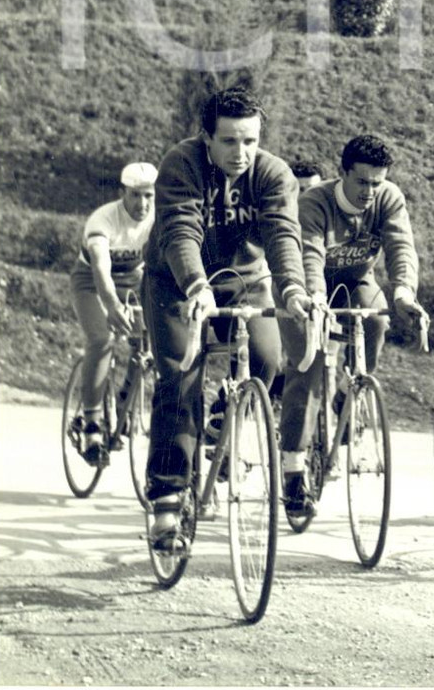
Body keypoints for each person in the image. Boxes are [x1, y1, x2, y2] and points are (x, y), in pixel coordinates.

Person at [142, 85, 311, 552]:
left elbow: (282, 234)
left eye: (251, 141)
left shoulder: (274, 174)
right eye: (230, 141)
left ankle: (219, 421)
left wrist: (293, 287)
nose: (242, 153)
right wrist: (196, 285)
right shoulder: (182, 162)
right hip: (176, 281)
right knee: (179, 376)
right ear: (206, 137)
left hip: (243, 276)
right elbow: (180, 230)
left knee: (268, 359)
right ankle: (168, 496)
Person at [278, 134, 427, 517]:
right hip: (309, 288)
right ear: (343, 173)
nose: (370, 192)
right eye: (362, 182)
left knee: (377, 319)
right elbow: (309, 254)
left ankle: (349, 388)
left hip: (357, 280)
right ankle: (293, 469)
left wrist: (405, 293)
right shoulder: (314, 202)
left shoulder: (388, 198)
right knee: (307, 368)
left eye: (377, 183)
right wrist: (315, 299)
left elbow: (400, 246)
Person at [69, 161, 158, 464]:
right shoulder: (103, 220)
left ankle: (124, 406)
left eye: (149, 196)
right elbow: (100, 268)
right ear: (122, 193)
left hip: (134, 282)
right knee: (101, 339)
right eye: (135, 195)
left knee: (148, 343)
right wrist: (111, 306)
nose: (142, 204)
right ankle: (92, 422)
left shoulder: (158, 218)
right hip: (92, 283)